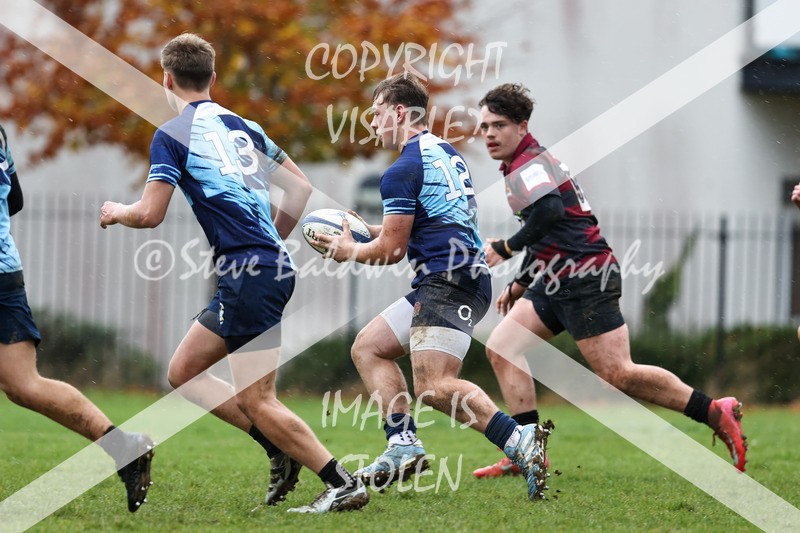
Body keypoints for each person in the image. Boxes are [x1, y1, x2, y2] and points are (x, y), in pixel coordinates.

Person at [99, 33, 367, 514]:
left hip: (250, 274)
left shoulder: (173, 134)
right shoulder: (245, 127)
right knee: (184, 371)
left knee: (259, 398)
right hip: (258, 269)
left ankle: (341, 481)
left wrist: (118, 210)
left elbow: (151, 214)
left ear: (166, 79)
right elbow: (300, 190)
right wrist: (273, 240)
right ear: (213, 78)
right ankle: (276, 450)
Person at [472, 82, 747, 479]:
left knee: (618, 373)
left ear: (522, 126)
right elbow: (552, 227)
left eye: (498, 125)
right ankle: (527, 451)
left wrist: (508, 247)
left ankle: (713, 410)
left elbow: (548, 212)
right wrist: (522, 280)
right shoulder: (526, 162)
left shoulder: (528, 165)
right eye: (483, 127)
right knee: (502, 348)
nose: (489, 134)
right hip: (556, 275)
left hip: (584, 275)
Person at [312, 72, 552, 501]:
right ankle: (402, 445)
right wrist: (363, 229)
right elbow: (421, 223)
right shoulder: (443, 152)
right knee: (369, 347)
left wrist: (350, 250)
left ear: (400, 112)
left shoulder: (401, 169)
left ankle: (520, 442)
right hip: (452, 277)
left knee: (435, 386)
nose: (373, 123)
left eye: (378, 113)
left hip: (448, 281)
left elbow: (391, 249)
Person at [0, 124, 154, 513]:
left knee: (24, 385)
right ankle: (125, 448)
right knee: (23, 385)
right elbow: (13, 199)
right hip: (6, 272)